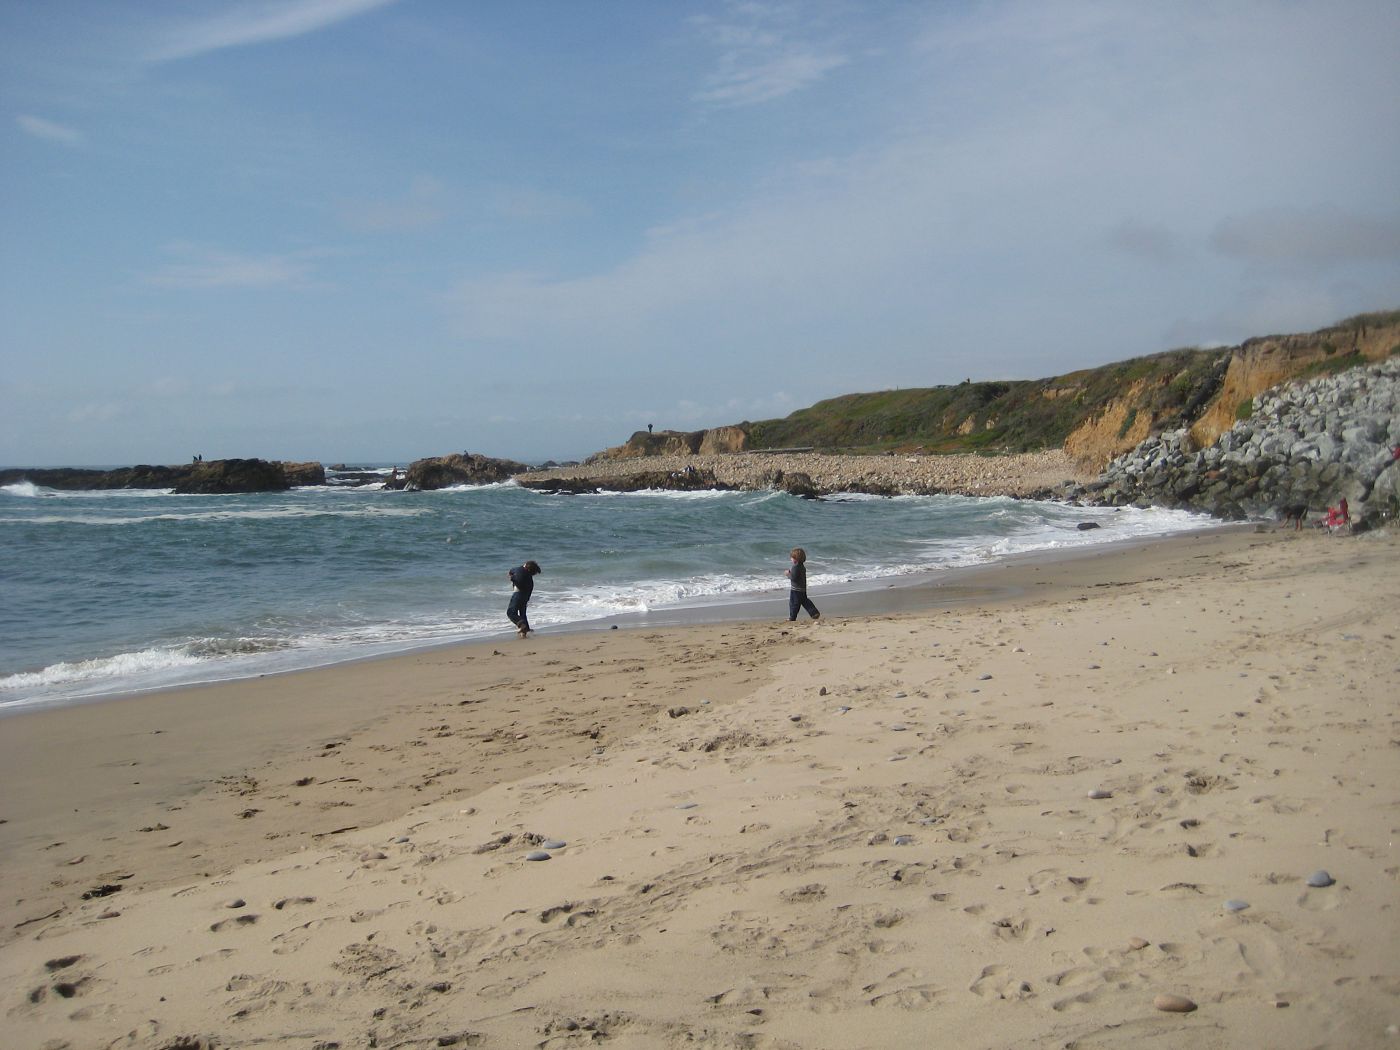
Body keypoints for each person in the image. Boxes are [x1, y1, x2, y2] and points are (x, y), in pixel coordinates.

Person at [507, 560, 542, 638]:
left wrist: (512, 578)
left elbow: (512, 574)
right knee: (522, 613)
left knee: (511, 612)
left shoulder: (518, 570)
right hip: (525, 596)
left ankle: (522, 626)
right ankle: (525, 631)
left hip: (518, 594)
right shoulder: (525, 574)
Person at [785, 547, 820, 622]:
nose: (791, 559)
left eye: (792, 557)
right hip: (802, 589)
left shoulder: (795, 567)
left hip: (796, 590)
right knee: (805, 601)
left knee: (794, 604)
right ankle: (814, 612)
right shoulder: (802, 567)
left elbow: (793, 578)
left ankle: (792, 617)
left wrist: (788, 574)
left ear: (796, 559)